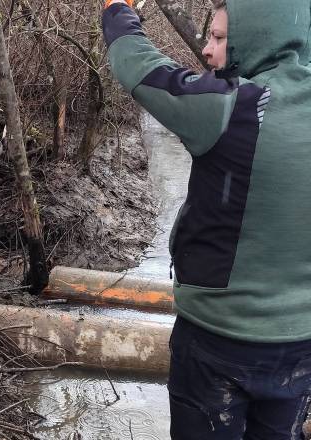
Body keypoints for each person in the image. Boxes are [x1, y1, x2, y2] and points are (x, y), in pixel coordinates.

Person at [102, 0, 311, 438]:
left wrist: (117, 8)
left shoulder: (227, 105)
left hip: (216, 342)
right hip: (301, 347)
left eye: (218, 37)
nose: (208, 50)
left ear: (258, 38)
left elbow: (137, 64)